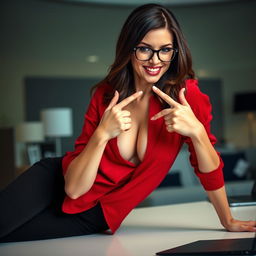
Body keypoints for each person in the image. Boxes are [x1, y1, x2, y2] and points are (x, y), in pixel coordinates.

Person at [0, 3, 255, 243]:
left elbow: (206, 167)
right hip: (56, 178)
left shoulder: (187, 97)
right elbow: (75, 189)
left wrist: (198, 133)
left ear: (175, 51)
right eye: (145, 48)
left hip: (97, 214)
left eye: (165, 50)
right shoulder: (106, 94)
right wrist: (102, 134)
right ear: (129, 49)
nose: (155, 60)